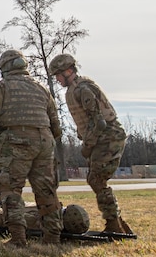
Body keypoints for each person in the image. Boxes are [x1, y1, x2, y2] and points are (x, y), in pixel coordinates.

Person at [0, 50, 62, 247]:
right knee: (46, 190)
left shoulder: (1, 88)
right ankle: (52, 238)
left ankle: (18, 238)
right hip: (45, 140)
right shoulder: (41, 88)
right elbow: (56, 125)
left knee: (9, 188)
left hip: (16, 140)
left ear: (4, 68)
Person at [50, 53, 133, 234]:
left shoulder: (83, 89)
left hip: (108, 136)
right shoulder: (74, 89)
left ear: (69, 71)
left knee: (96, 179)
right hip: (101, 138)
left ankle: (114, 224)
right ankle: (118, 222)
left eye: (58, 75)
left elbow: (99, 122)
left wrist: (89, 144)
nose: (57, 79)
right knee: (96, 179)